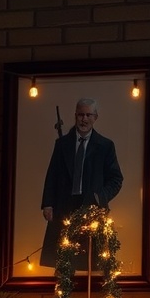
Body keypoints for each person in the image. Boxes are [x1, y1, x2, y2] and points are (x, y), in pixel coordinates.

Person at [40, 97, 123, 268]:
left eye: (88, 115)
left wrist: (99, 197)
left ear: (95, 117)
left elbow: (116, 179)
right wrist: (47, 203)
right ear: (75, 115)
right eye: (80, 115)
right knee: (62, 261)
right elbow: (52, 175)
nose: (84, 119)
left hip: (90, 208)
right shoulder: (62, 144)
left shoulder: (105, 146)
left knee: (89, 260)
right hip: (64, 206)